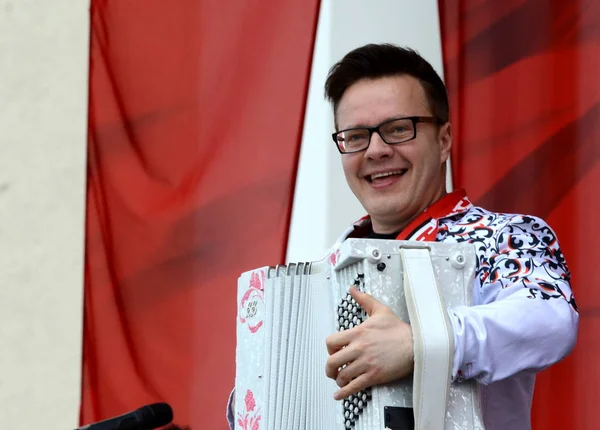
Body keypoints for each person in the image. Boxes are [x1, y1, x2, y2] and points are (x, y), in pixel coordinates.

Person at [227, 43, 579, 429]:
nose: (376, 150)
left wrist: (420, 345)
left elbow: (551, 321)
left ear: (444, 140)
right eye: (356, 136)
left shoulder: (503, 235)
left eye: (397, 130)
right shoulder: (324, 272)